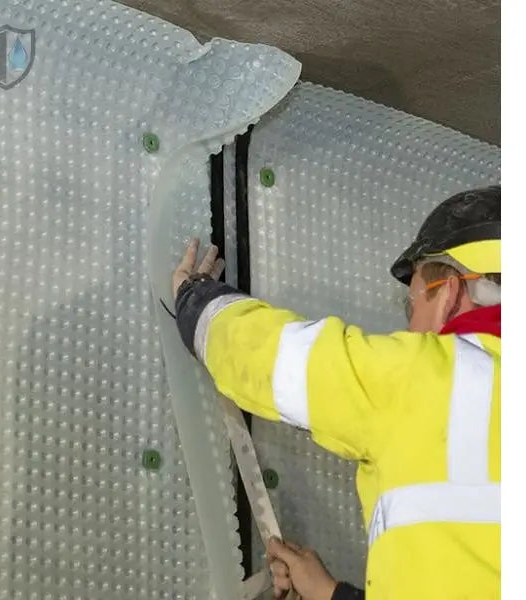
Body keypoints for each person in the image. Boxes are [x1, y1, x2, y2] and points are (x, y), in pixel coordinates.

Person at [171, 185, 501, 599]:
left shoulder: (433, 374)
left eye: (411, 302)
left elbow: (275, 360)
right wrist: (333, 594)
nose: (409, 325)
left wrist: (198, 301)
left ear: (450, 291)